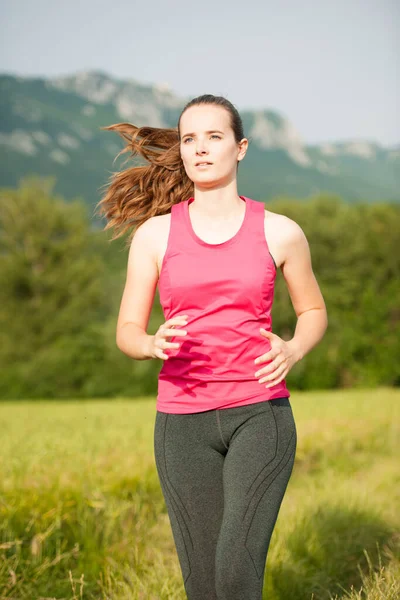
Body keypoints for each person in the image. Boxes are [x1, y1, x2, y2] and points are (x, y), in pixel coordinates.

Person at [96, 94, 328, 600]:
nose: (200, 149)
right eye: (189, 138)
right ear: (180, 151)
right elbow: (127, 330)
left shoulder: (280, 232)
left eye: (214, 136)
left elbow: (313, 312)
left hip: (259, 415)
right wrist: (151, 342)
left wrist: (291, 349)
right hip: (181, 425)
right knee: (203, 586)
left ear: (240, 148)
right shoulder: (155, 236)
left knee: (235, 574)